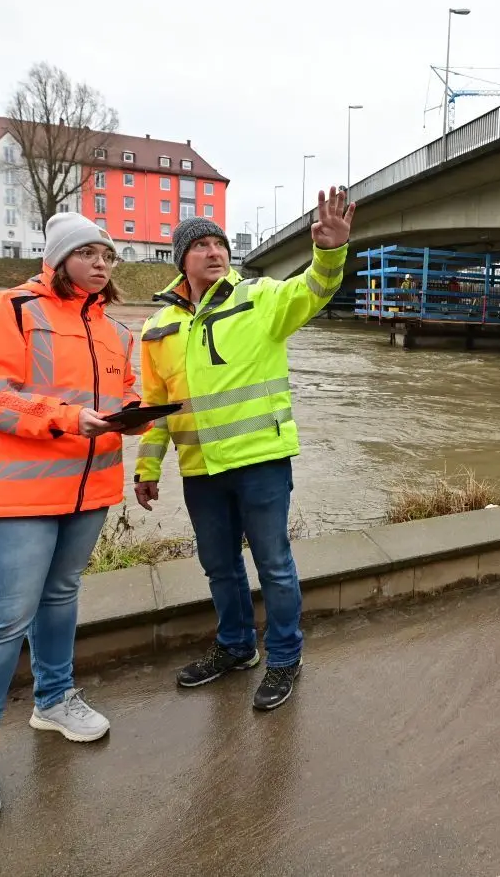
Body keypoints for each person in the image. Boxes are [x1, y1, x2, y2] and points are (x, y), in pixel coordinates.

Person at [0, 212, 147, 832]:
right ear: (56, 259)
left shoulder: (115, 330)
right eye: (88, 253)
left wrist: (137, 412)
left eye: (108, 254)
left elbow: (123, 393)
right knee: (1, 622)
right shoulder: (5, 311)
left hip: (86, 492)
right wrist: (66, 418)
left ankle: (54, 700)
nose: (102, 263)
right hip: (10, 496)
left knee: (60, 597)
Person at [134, 187, 354, 711]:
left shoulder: (261, 299)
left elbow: (315, 288)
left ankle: (285, 657)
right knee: (219, 566)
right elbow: (155, 406)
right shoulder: (157, 328)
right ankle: (236, 648)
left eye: (220, 244)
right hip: (200, 470)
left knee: (274, 564)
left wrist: (330, 252)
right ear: (181, 259)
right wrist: (147, 466)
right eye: (201, 245)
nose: (214, 252)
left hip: (260, 462)